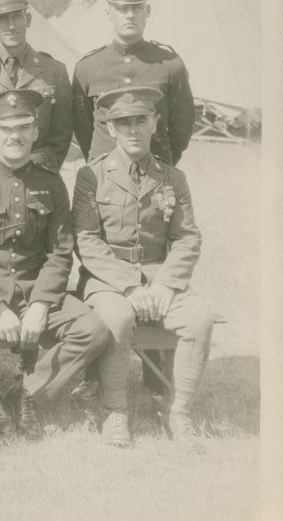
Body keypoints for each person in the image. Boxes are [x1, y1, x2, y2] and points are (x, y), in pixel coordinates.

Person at [0, 89, 109, 439]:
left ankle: (28, 395)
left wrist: (40, 304)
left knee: (93, 330)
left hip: (36, 289)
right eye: (6, 127)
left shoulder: (51, 183)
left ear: (36, 132)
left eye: (23, 126)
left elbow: (60, 251)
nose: (15, 135)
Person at [72, 86, 213, 445]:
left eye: (140, 121)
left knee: (199, 319)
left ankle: (178, 410)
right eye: (123, 123)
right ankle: (115, 411)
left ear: (155, 123)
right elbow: (86, 240)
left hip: (159, 274)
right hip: (107, 279)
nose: (132, 130)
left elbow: (186, 237)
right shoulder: (92, 176)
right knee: (118, 316)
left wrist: (165, 284)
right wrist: (129, 286)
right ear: (111, 128)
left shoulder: (172, 178)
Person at [72, 0, 194, 165]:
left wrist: (163, 162)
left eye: (137, 7)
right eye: (121, 8)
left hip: (155, 172)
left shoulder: (171, 65)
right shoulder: (87, 68)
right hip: (104, 175)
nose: (130, 15)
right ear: (107, 13)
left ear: (148, 11)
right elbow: (83, 128)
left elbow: (183, 125)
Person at [0, 0, 73, 170]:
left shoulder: (54, 70)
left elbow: (62, 131)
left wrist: (46, 168)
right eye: (2, 19)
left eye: (17, 16)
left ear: (28, 19)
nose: (11, 26)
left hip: (39, 170)